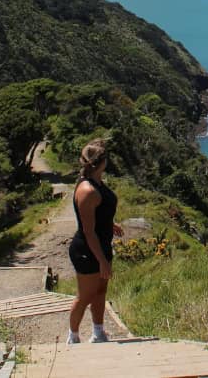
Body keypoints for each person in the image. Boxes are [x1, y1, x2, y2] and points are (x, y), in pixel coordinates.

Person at [67, 139, 124, 344]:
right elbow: (88, 230)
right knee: (85, 296)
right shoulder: (87, 191)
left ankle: (98, 332)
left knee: (100, 291)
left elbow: (98, 215)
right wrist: (102, 260)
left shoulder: (97, 182)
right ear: (101, 162)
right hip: (88, 250)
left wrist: (110, 224)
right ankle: (73, 337)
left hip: (101, 244)